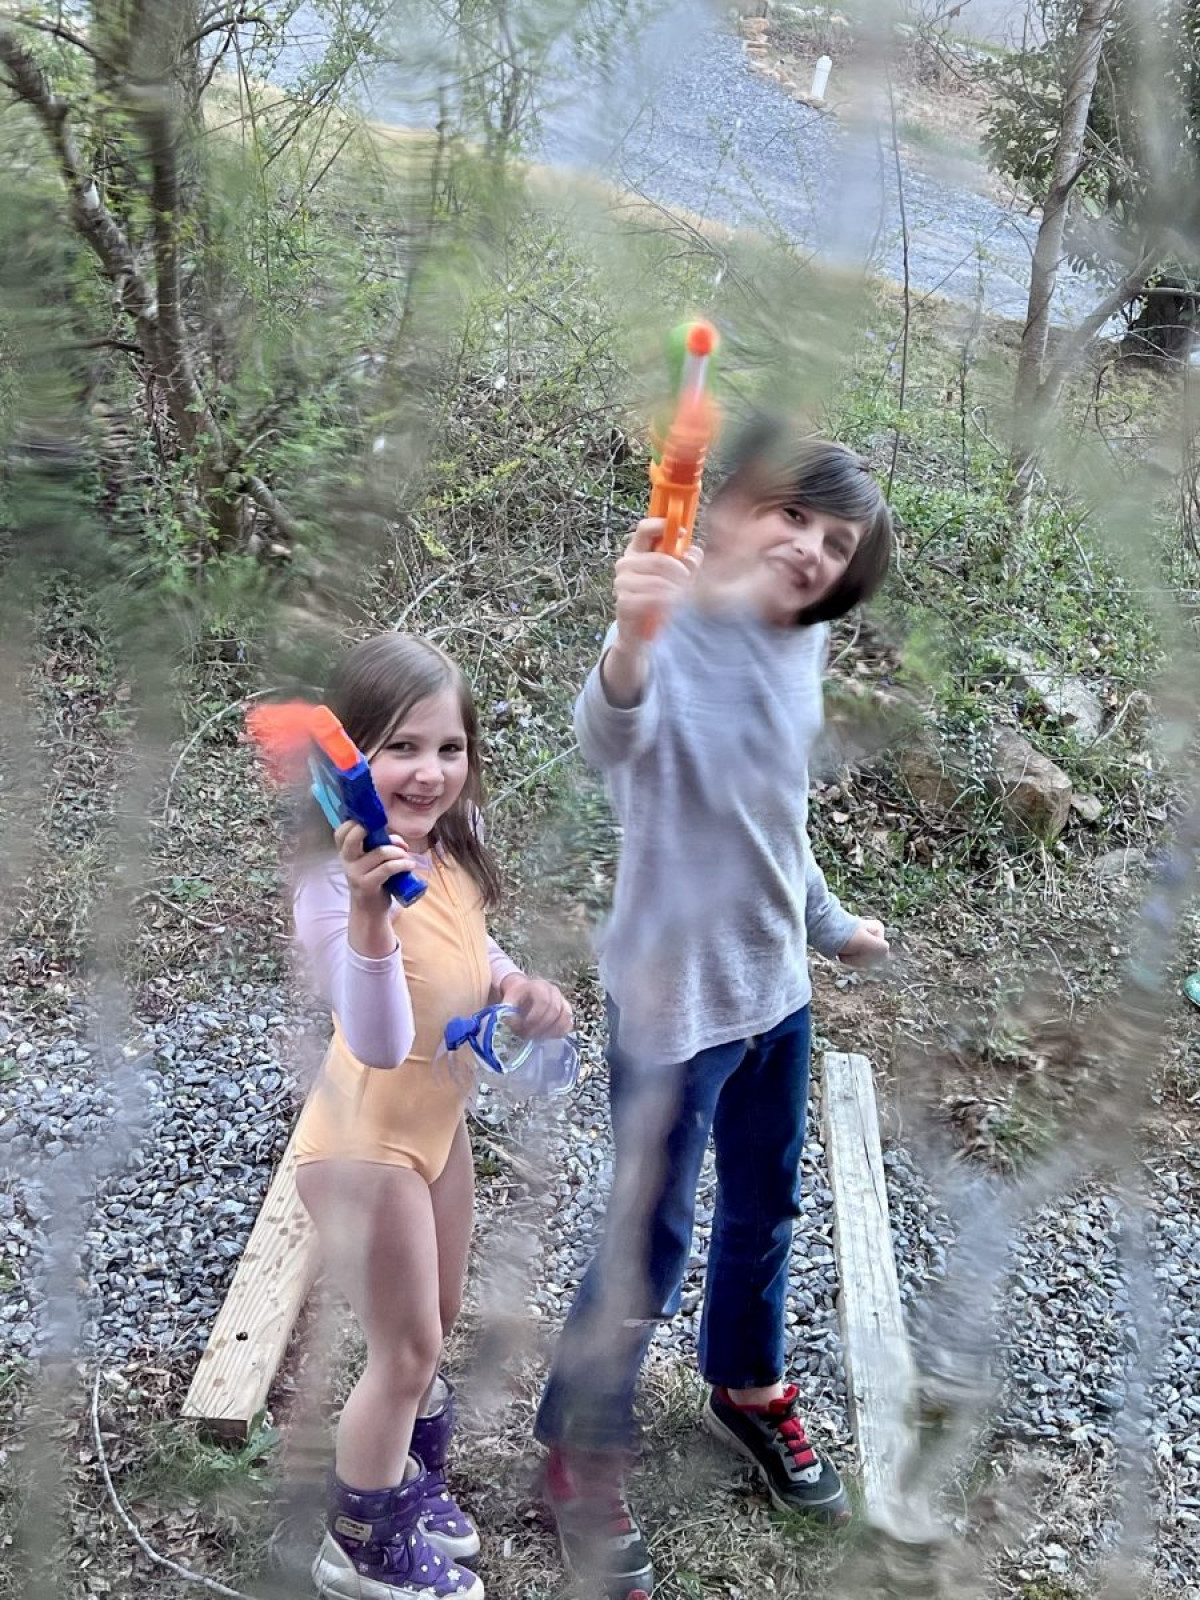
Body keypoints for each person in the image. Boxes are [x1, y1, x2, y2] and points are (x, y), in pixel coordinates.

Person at [533, 419, 894, 1600]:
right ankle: (579, 1444)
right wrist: (632, 636)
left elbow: (777, 816)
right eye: (793, 514)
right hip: (672, 1003)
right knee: (647, 1237)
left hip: (773, 991)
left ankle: (746, 1382)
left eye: (836, 542)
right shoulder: (671, 624)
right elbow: (608, 735)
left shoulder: (801, 645)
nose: (810, 549)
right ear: (730, 509)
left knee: (764, 1207)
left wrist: (827, 921)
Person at [290, 633, 573, 1600]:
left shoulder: (447, 845)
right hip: (362, 1144)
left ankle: (404, 1481)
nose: (429, 772)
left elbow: (472, 946)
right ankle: (359, 1546)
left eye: (450, 748)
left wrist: (516, 987)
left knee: (435, 1323)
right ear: (347, 762)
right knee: (405, 1351)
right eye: (401, 748)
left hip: (435, 1130)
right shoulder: (332, 890)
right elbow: (375, 1040)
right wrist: (372, 916)